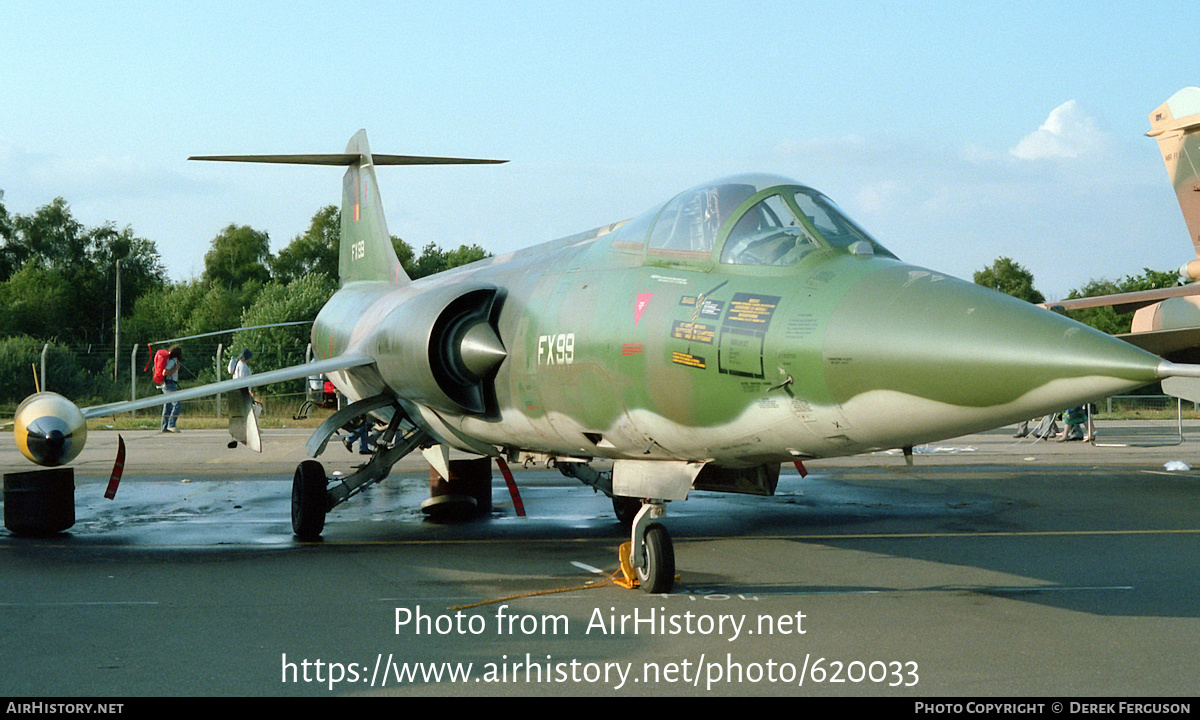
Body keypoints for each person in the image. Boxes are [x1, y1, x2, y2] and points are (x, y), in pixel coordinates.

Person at [159, 345, 183, 433]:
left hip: (168, 384)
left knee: (168, 406)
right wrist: (175, 369)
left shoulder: (172, 361)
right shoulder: (172, 362)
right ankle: (171, 424)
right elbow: (165, 372)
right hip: (169, 384)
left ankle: (164, 427)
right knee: (178, 404)